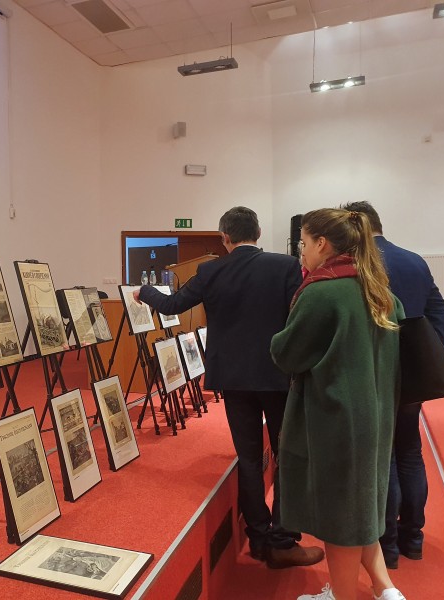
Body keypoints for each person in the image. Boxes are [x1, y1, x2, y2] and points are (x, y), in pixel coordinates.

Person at [134, 206, 323, 569]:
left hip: (234, 379)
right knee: (287, 457)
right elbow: (298, 317)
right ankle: (283, 541)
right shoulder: (285, 266)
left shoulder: (211, 271)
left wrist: (144, 291)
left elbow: (172, 305)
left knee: (249, 459)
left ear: (224, 238)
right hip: (278, 375)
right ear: (258, 233)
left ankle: (258, 538)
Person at [270, 208, 405, 600]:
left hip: (335, 420)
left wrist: (277, 338)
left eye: (304, 243)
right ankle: (385, 589)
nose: (302, 251)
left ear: (322, 243)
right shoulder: (379, 290)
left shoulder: (323, 292)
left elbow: (287, 354)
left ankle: (343, 596)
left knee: (341, 519)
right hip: (375, 416)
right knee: (359, 509)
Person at [342, 201, 444, 569]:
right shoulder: (414, 260)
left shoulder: (357, 263)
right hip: (413, 375)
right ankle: (413, 537)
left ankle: (386, 545)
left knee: (383, 457)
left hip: (373, 372)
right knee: (410, 451)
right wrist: (427, 354)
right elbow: (440, 310)